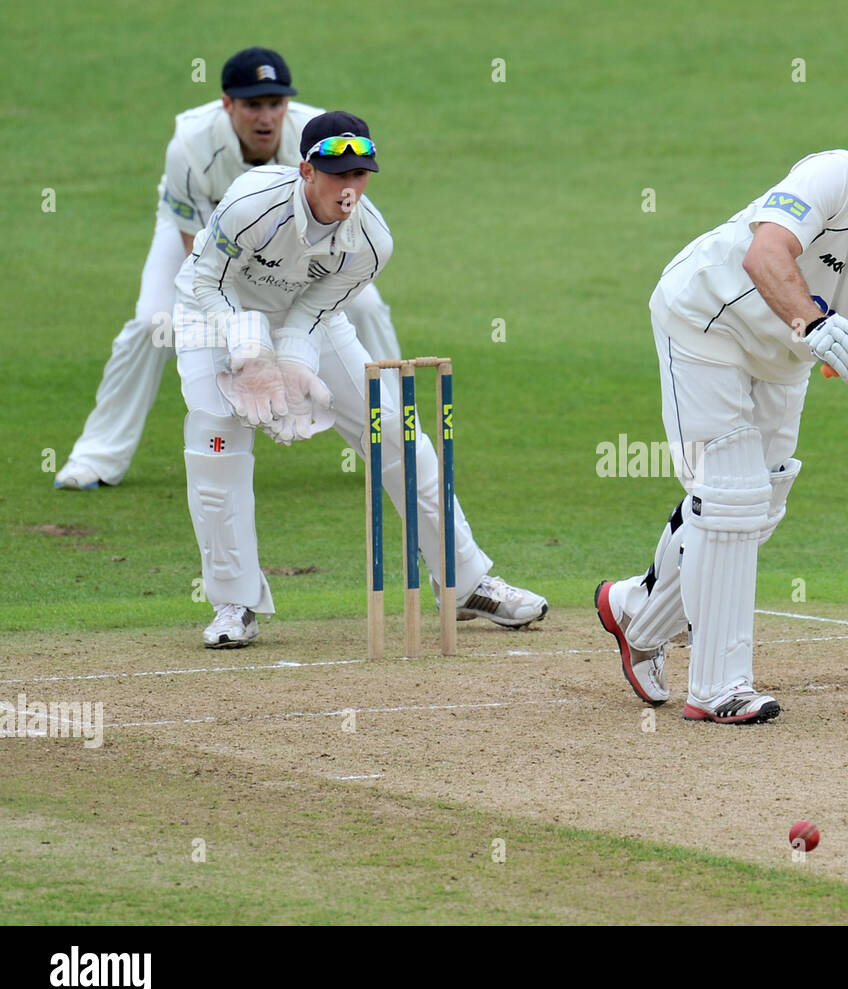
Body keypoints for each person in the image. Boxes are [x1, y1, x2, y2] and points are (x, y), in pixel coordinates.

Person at [595, 122, 848, 724]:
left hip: (786, 358)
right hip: (706, 320)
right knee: (730, 497)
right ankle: (720, 687)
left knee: (761, 506)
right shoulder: (833, 175)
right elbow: (764, 252)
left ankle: (638, 614)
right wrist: (819, 325)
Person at [175, 111, 546, 647]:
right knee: (215, 445)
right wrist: (250, 352)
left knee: (397, 433)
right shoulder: (251, 203)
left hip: (309, 318)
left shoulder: (372, 241)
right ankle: (234, 602)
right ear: (305, 170)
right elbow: (207, 280)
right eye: (335, 174)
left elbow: (313, 313)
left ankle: (464, 582)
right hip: (212, 315)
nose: (349, 188)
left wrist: (295, 364)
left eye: (360, 175)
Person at [55, 47, 401, 490]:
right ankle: (96, 457)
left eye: (275, 104)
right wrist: (254, 346)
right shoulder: (190, 147)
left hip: (304, 243)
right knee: (151, 323)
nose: (266, 118)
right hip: (209, 237)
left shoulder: (319, 139)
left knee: (367, 308)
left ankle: (392, 444)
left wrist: (291, 331)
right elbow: (203, 263)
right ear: (227, 104)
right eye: (252, 105)